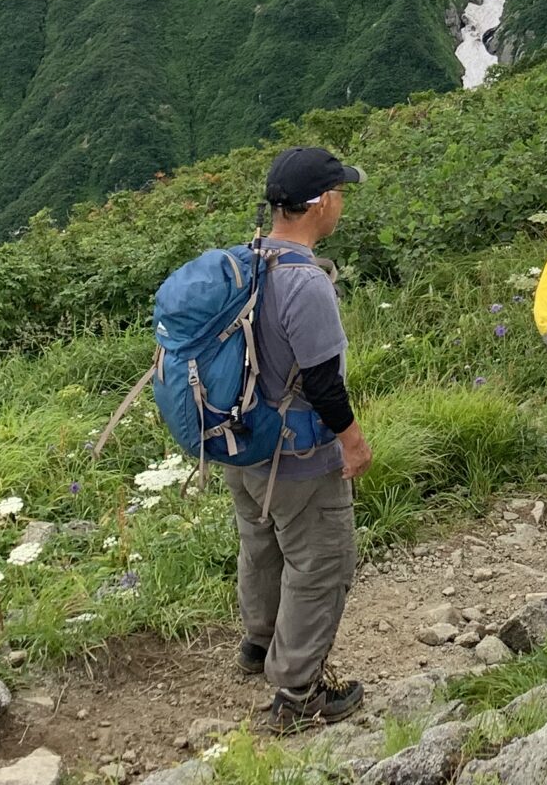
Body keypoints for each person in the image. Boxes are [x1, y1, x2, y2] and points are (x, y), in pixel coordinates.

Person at [231, 146, 372, 729]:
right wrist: (354, 442)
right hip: (297, 454)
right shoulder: (306, 283)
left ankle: (259, 645)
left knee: (260, 544)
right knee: (320, 563)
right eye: (339, 192)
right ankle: (297, 693)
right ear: (320, 204)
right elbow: (322, 383)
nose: (342, 201)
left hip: (242, 445)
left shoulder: (246, 262)